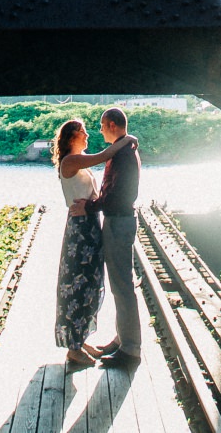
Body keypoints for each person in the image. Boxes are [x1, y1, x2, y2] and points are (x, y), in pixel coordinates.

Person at [52, 117, 136, 366]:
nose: (87, 135)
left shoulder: (81, 163)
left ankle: (79, 340)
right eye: (82, 132)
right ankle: (73, 348)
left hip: (89, 225)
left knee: (89, 283)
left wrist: (97, 204)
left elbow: (95, 193)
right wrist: (128, 139)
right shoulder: (71, 161)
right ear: (70, 138)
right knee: (77, 284)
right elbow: (106, 154)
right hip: (80, 229)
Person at [73, 106, 142, 367]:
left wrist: (89, 206)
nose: (100, 130)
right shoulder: (125, 149)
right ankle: (122, 339)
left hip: (119, 221)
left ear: (112, 125)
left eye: (102, 125)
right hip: (120, 220)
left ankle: (130, 350)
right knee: (120, 284)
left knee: (122, 286)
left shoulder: (123, 154)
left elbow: (114, 193)